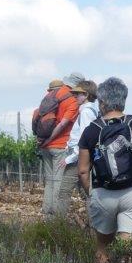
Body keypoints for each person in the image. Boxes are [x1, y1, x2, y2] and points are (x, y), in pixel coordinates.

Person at [77, 77, 132, 263]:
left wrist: (92, 194)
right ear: (123, 100)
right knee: (128, 249)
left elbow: (83, 171)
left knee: (102, 246)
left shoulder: (92, 130)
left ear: (102, 102)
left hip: (103, 193)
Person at [38, 71, 83, 216]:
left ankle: (47, 215)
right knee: (58, 182)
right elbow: (63, 124)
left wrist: (44, 141)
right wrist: (51, 139)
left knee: (49, 182)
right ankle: (56, 221)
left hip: (45, 147)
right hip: (60, 145)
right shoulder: (72, 100)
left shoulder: (52, 94)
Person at [54, 79, 98, 218]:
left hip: (78, 159)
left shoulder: (86, 112)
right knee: (87, 193)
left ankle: (57, 226)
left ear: (86, 95)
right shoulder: (92, 110)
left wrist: (70, 158)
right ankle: (95, 228)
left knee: (64, 193)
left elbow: (85, 139)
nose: (74, 96)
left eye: (77, 94)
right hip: (82, 158)